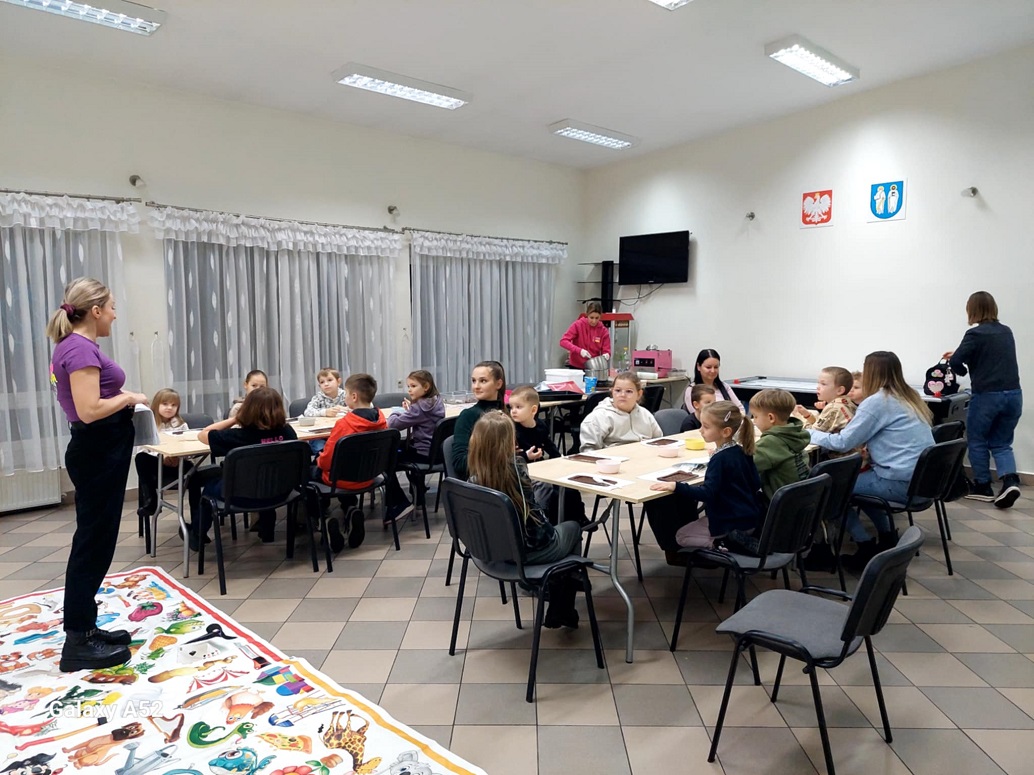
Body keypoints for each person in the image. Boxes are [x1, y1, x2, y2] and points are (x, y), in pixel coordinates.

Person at [47, 277, 149, 672]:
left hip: (99, 450)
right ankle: (77, 641)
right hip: (97, 450)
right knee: (92, 542)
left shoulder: (76, 347)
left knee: (99, 539)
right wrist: (130, 398)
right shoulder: (79, 348)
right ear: (95, 311)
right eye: (111, 308)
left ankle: (86, 629)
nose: (114, 314)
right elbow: (89, 410)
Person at [807, 351, 934, 571]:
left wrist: (807, 433)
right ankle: (886, 538)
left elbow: (843, 443)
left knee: (832, 489)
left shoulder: (878, 402)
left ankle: (864, 546)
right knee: (861, 486)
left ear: (872, 372)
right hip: (922, 482)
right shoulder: (908, 396)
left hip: (900, 483)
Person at [467, 411, 584, 629]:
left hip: (491, 552)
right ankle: (563, 605)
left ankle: (559, 590)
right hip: (527, 552)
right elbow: (535, 524)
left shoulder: (471, 481)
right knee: (573, 526)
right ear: (509, 443)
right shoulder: (516, 470)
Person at [645, 402, 763, 558]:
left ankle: (723, 544)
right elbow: (755, 483)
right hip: (749, 519)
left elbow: (707, 493)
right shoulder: (742, 450)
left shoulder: (720, 459)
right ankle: (729, 540)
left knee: (681, 536)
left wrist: (676, 486)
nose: (700, 430)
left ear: (726, 431)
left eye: (706, 427)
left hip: (729, 522)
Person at [188, 386, 297, 548]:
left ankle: (197, 533)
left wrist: (235, 419)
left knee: (210, 487)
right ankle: (267, 531)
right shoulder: (287, 432)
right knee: (267, 477)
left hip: (239, 496)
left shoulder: (238, 436)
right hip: (281, 493)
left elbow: (203, 434)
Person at [316, 373, 413, 550]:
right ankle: (350, 510)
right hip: (371, 477)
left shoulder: (343, 425)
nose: (344, 397)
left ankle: (322, 523)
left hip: (341, 480)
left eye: (345, 393)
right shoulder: (382, 421)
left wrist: (318, 462)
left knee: (309, 475)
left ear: (353, 396)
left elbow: (327, 461)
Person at [947, 291, 1023, 508]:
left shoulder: (975, 334)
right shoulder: (1006, 331)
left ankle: (983, 486)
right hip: (1014, 395)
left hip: (987, 396)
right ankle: (1009, 480)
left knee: (977, 439)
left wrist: (959, 365)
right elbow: (992, 357)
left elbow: (957, 362)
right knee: (1001, 442)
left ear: (972, 310)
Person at [509, 385, 587, 524]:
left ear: (533, 410)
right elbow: (509, 457)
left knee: (568, 482)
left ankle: (579, 515)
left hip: (540, 467)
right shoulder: (511, 430)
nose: (513, 411)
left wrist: (560, 458)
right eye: (511, 407)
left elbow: (549, 444)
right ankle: (540, 517)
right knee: (546, 487)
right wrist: (526, 456)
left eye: (518, 407)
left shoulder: (540, 426)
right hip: (522, 472)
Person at [134, 388, 192, 526]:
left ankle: (197, 526)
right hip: (157, 464)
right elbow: (142, 448)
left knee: (192, 471)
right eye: (165, 404)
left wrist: (178, 457)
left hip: (178, 464)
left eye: (173, 405)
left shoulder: (181, 424)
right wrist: (162, 457)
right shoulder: (149, 423)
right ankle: (151, 500)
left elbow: (188, 446)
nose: (169, 408)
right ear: (156, 404)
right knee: (141, 458)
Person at [387, 369, 446, 505]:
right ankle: (418, 492)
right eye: (408, 386)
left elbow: (393, 424)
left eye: (413, 386)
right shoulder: (436, 401)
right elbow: (420, 416)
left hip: (422, 452)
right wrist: (411, 409)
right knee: (400, 448)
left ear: (426, 387)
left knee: (387, 458)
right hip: (437, 452)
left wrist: (396, 413)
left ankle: (399, 502)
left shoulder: (419, 409)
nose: (409, 390)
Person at [750, 389, 811, 501]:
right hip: (801, 501)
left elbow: (743, 466)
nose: (754, 421)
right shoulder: (795, 434)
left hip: (780, 507)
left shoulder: (771, 442)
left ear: (771, 418)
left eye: (755, 416)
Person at [579, 371, 662, 451]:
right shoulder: (599, 417)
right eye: (618, 391)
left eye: (629, 391)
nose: (622, 395)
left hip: (644, 458)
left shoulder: (645, 415)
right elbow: (588, 451)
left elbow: (659, 440)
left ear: (639, 394)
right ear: (612, 392)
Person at [450, 360, 506, 480]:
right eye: (474, 381)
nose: (476, 386)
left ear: (498, 384)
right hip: (482, 481)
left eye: (483, 381)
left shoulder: (508, 413)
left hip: (507, 476)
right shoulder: (468, 416)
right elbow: (459, 463)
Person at [792, 366, 857, 437]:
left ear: (840, 390)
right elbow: (822, 425)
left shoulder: (833, 408)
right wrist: (807, 415)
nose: (818, 387)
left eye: (823, 384)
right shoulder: (847, 402)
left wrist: (798, 417)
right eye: (818, 383)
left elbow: (812, 433)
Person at [682, 349, 744, 414]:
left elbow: (740, 409)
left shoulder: (724, 386)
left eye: (716, 367)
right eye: (708, 367)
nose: (712, 371)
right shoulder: (691, 390)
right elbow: (696, 416)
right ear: (698, 367)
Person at [559, 301, 611, 369]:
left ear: (600, 317)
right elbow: (563, 341)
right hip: (576, 367)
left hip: (593, 367)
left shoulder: (603, 331)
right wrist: (579, 351)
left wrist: (606, 355)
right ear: (587, 315)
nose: (594, 321)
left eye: (597, 318)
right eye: (591, 317)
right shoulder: (578, 325)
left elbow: (607, 350)